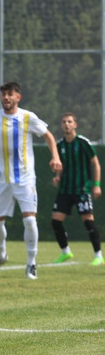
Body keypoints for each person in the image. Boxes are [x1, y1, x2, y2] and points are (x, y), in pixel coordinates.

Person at [0, 81, 62, 280]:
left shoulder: (27, 117)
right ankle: (1, 256)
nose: (6, 98)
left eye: (10, 94)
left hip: (24, 179)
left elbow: (48, 136)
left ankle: (31, 263)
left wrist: (56, 157)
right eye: (3, 94)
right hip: (1, 180)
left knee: (30, 219)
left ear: (18, 97)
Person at [50, 112, 103, 266]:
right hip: (65, 189)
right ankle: (65, 252)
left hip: (82, 189)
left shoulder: (83, 143)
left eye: (69, 122)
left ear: (75, 125)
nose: (66, 124)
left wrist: (97, 185)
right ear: (61, 125)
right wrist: (58, 176)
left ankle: (98, 255)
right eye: (64, 122)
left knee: (88, 221)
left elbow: (96, 164)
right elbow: (61, 166)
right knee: (55, 221)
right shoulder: (60, 146)